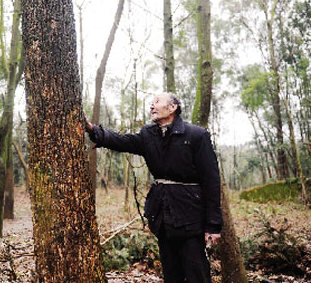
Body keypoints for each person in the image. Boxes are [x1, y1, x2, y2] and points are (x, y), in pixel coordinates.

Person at [85, 92, 222, 283]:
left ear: (173, 107)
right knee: (171, 275)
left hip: (191, 216)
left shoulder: (196, 135)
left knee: (196, 274)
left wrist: (213, 225)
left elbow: (211, 180)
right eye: (151, 103)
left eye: (157, 102)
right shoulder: (148, 134)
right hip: (162, 216)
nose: (152, 106)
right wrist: (93, 130)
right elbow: (122, 141)